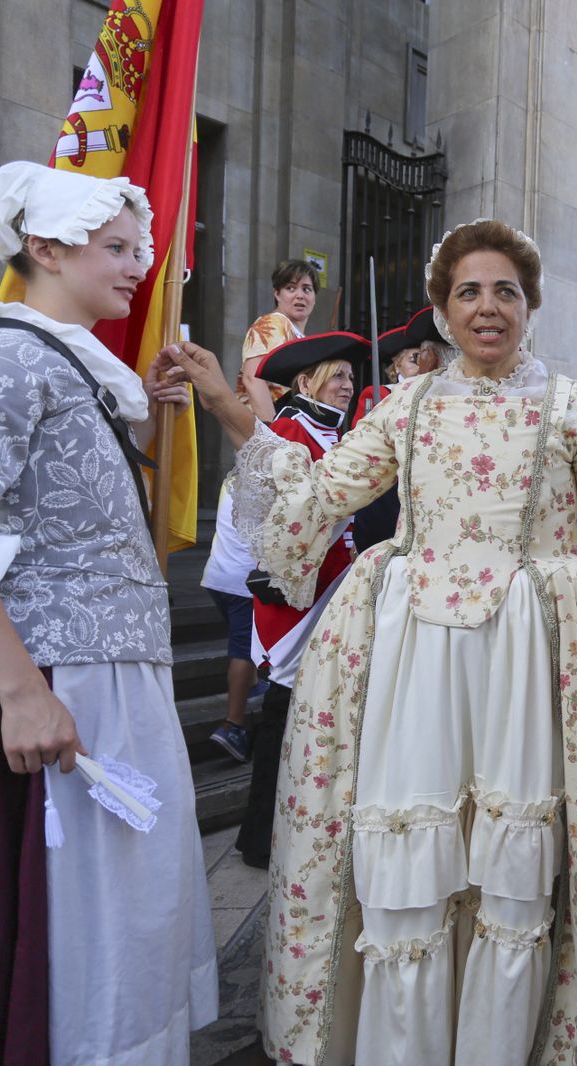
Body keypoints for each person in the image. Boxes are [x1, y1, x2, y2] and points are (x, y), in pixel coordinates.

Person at [160, 218, 577, 1065]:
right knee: (414, 861)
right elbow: (318, 492)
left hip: (529, 666)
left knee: (517, 872)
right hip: (414, 663)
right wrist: (224, 401)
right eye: (468, 291)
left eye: (506, 290)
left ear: (529, 304)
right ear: (441, 309)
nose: (488, 307)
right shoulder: (411, 405)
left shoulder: (571, 406)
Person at [0, 160, 217, 1064]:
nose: (140, 265)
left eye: (138, 249)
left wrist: (139, 421)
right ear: (42, 247)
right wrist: (22, 692)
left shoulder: (62, 367)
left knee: (122, 926)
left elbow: (51, 503)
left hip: (105, 679)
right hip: (56, 688)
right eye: (117, 248)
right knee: (60, 938)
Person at [235, 331, 364, 869]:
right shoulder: (288, 431)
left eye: (351, 380)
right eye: (338, 376)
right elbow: (282, 520)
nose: (346, 387)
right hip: (297, 600)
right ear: (308, 380)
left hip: (335, 589)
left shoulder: (338, 437)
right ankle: (260, 836)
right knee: (283, 714)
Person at [202, 481, 258, 763]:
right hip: (242, 581)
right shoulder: (264, 478)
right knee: (243, 649)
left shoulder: (232, 478)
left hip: (217, 576)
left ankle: (255, 682)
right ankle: (232, 725)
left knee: (244, 640)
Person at [240, 258, 320, 421]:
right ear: (277, 293)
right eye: (290, 288)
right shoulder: (273, 323)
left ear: (314, 296)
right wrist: (274, 433)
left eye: (307, 289)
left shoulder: (297, 334)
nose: (300, 295)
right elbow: (252, 378)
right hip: (267, 432)